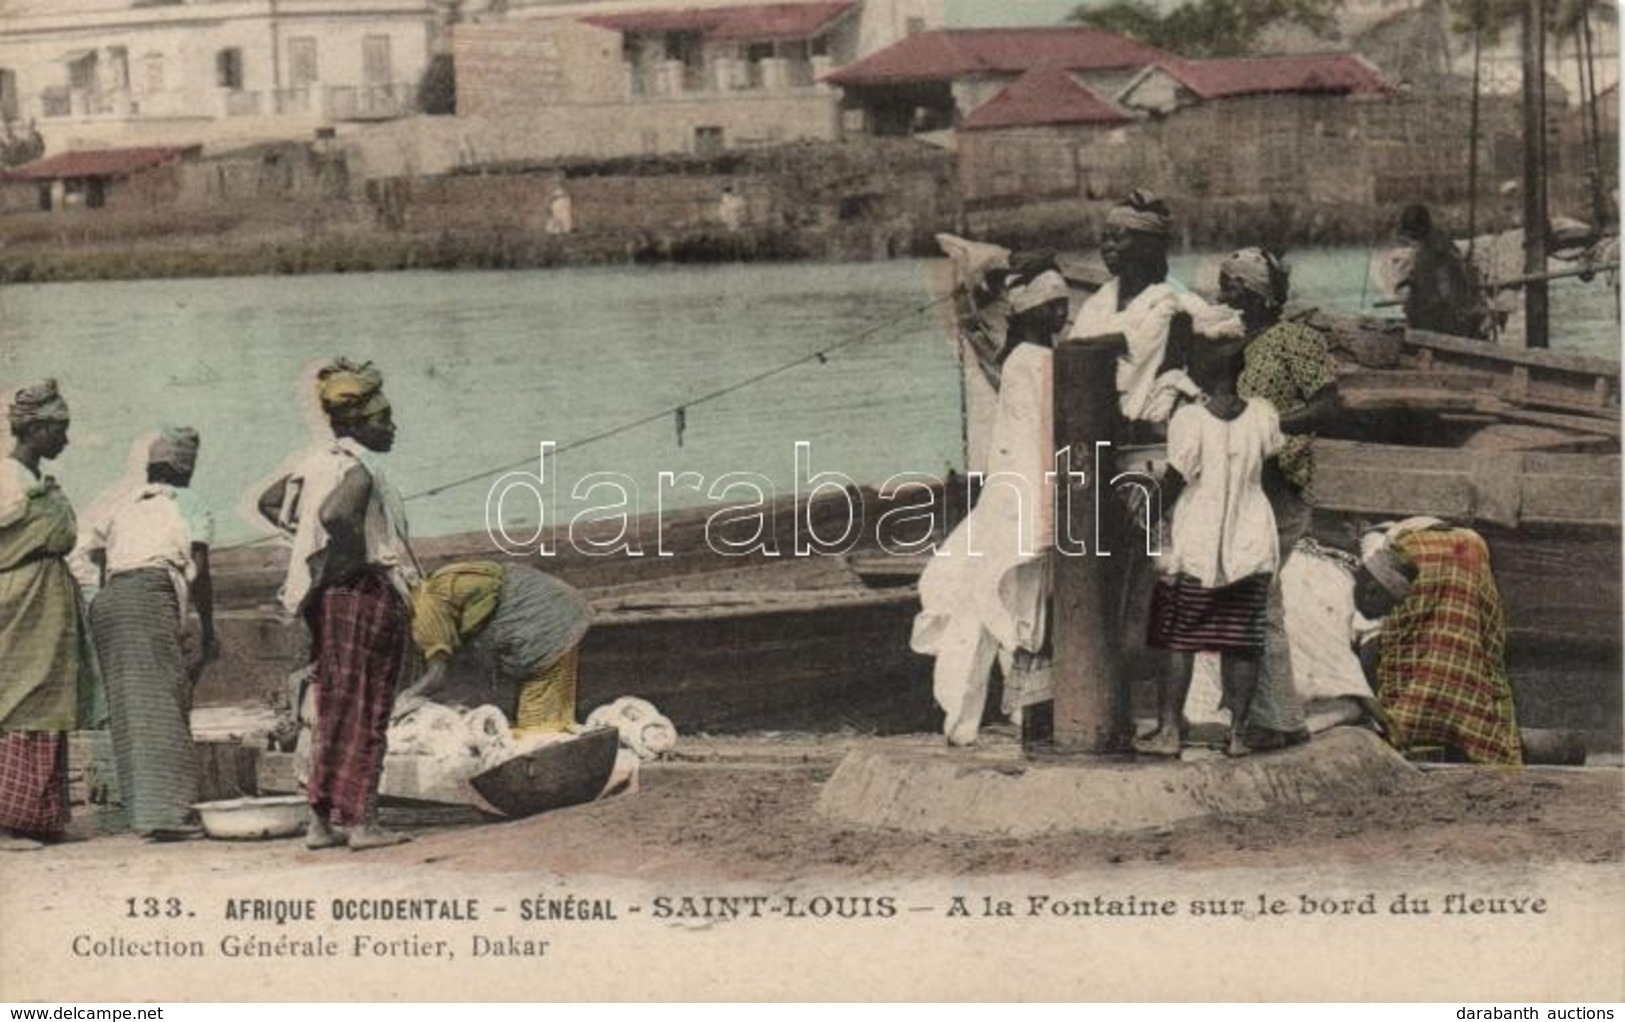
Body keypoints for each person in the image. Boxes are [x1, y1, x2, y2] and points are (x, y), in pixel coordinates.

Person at [256, 359, 419, 850]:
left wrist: (310, 549)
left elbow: (270, 502)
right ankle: (363, 823)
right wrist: (354, 558)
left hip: (324, 596)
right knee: (367, 706)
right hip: (361, 592)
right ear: (356, 423)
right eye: (383, 419)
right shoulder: (358, 470)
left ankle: (320, 822)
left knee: (331, 705)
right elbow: (336, 514)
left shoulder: (315, 461)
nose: (392, 428)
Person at [911, 267, 1071, 745]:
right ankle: (1025, 718)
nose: (1062, 312)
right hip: (1024, 495)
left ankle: (981, 719)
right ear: (1031, 312)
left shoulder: (1026, 358)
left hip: (1013, 493)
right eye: (1052, 306)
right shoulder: (1036, 362)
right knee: (1016, 605)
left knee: (998, 601)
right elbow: (1044, 436)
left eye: (1064, 303)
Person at [1218, 247, 1343, 748]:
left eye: (1228, 287)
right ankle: (1275, 717)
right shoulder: (1227, 343)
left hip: (1279, 485)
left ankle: (1273, 720)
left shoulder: (1295, 339)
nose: (1220, 296)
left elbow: (1329, 404)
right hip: (1241, 486)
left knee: (1255, 599)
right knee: (1254, 600)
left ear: (1249, 293)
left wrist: (1266, 426)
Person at [1140, 340, 1284, 758]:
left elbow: (1174, 478)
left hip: (1199, 537)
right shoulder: (1262, 414)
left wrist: (1145, 517)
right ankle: (1238, 733)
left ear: (1203, 371)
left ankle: (1169, 730)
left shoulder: (1188, 419)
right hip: (1251, 535)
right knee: (1240, 638)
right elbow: (1269, 473)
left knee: (1180, 636)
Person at [79, 427, 217, 841]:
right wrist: (208, 628)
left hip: (109, 601)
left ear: (150, 467)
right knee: (165, 704)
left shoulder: (124, 505)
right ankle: (171, 817)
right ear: (186, 470)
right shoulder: (189, 502)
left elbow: (101, 559)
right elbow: (201, 569)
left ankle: (146, 812)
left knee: (127, 711)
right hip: (148, 593)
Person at [0, 380, 100, 851]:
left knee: (49, 699)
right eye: (59, 430)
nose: (65, 439)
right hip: (19, 602)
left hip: (44, 601)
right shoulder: (7, 478)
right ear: (36, 429)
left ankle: (39, 817)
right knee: (19, 698)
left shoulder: (34, 480)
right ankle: (6, 822)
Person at [1067, 190, 1243, 430]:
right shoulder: (1098, 301)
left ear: (1147, 247)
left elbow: (1223, 324)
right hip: (1088, 411)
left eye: (1118, 238)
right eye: (1104, 239)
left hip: (1139, 418)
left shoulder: (1171, 299)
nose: (1107, 247)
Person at [1353, 520, 1522, 765]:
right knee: (1460, 640)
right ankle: (1477, 735)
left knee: (1400, 643)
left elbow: (1371, 638)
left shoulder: (1367, 563)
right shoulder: (1392, 534)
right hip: (1468, 546)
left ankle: (1408, 725)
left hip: (1415, 555)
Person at [393, 561, 592, 737]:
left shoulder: (424, 612)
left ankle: (544, 771)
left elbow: (438, 674)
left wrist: (406, 697)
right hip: (563, 606)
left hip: (542, 623)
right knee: (557, 718)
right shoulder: (436, 584)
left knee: (537, 724)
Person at [1394, 203, 1490, 339]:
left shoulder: (1431, 253)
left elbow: (1445, 292)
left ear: (1418, 230)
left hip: (1448, 321)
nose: (1410, 240)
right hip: (1457, 315)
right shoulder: (1442, 242)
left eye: (1411, 235)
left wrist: (1412, 304)